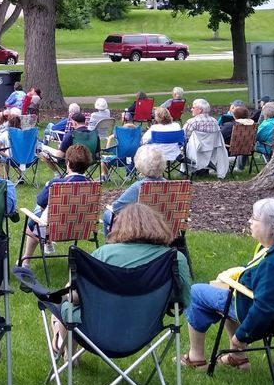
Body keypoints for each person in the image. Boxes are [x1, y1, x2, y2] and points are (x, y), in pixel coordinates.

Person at [53, 203, 191, 357]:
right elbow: (183, 300)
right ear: (158, 226)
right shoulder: (174, 259)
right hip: (144, 329)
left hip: (96, 329)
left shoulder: (103, 254)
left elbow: (76, 297)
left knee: (63, 305)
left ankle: (66, 352)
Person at [182, 198, 274, 370]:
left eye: (254, 218)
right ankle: (237, 357)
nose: (249, 221)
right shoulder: (270, 248)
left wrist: (241, 336)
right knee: (222, 286)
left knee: (195, 292)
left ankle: (196, 358)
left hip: (251, 310)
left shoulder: (273, 264)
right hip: (252, 302)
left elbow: (265, 307)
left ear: (271, 227)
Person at [19, 144, 93, 266]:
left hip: (54, 228)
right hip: (81, 228)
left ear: (68, 163)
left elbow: (40, 202)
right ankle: (44, 242)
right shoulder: (92, 185)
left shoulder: (56, 184)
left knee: (38, 212)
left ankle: (27, 260)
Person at [102, 145, 166, 234]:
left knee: (107, 214)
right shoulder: (172, 185)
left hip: (143, 228)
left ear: (140, 164)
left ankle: (109, 246)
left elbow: (117, 208)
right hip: (164, 226)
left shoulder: (139, 186)